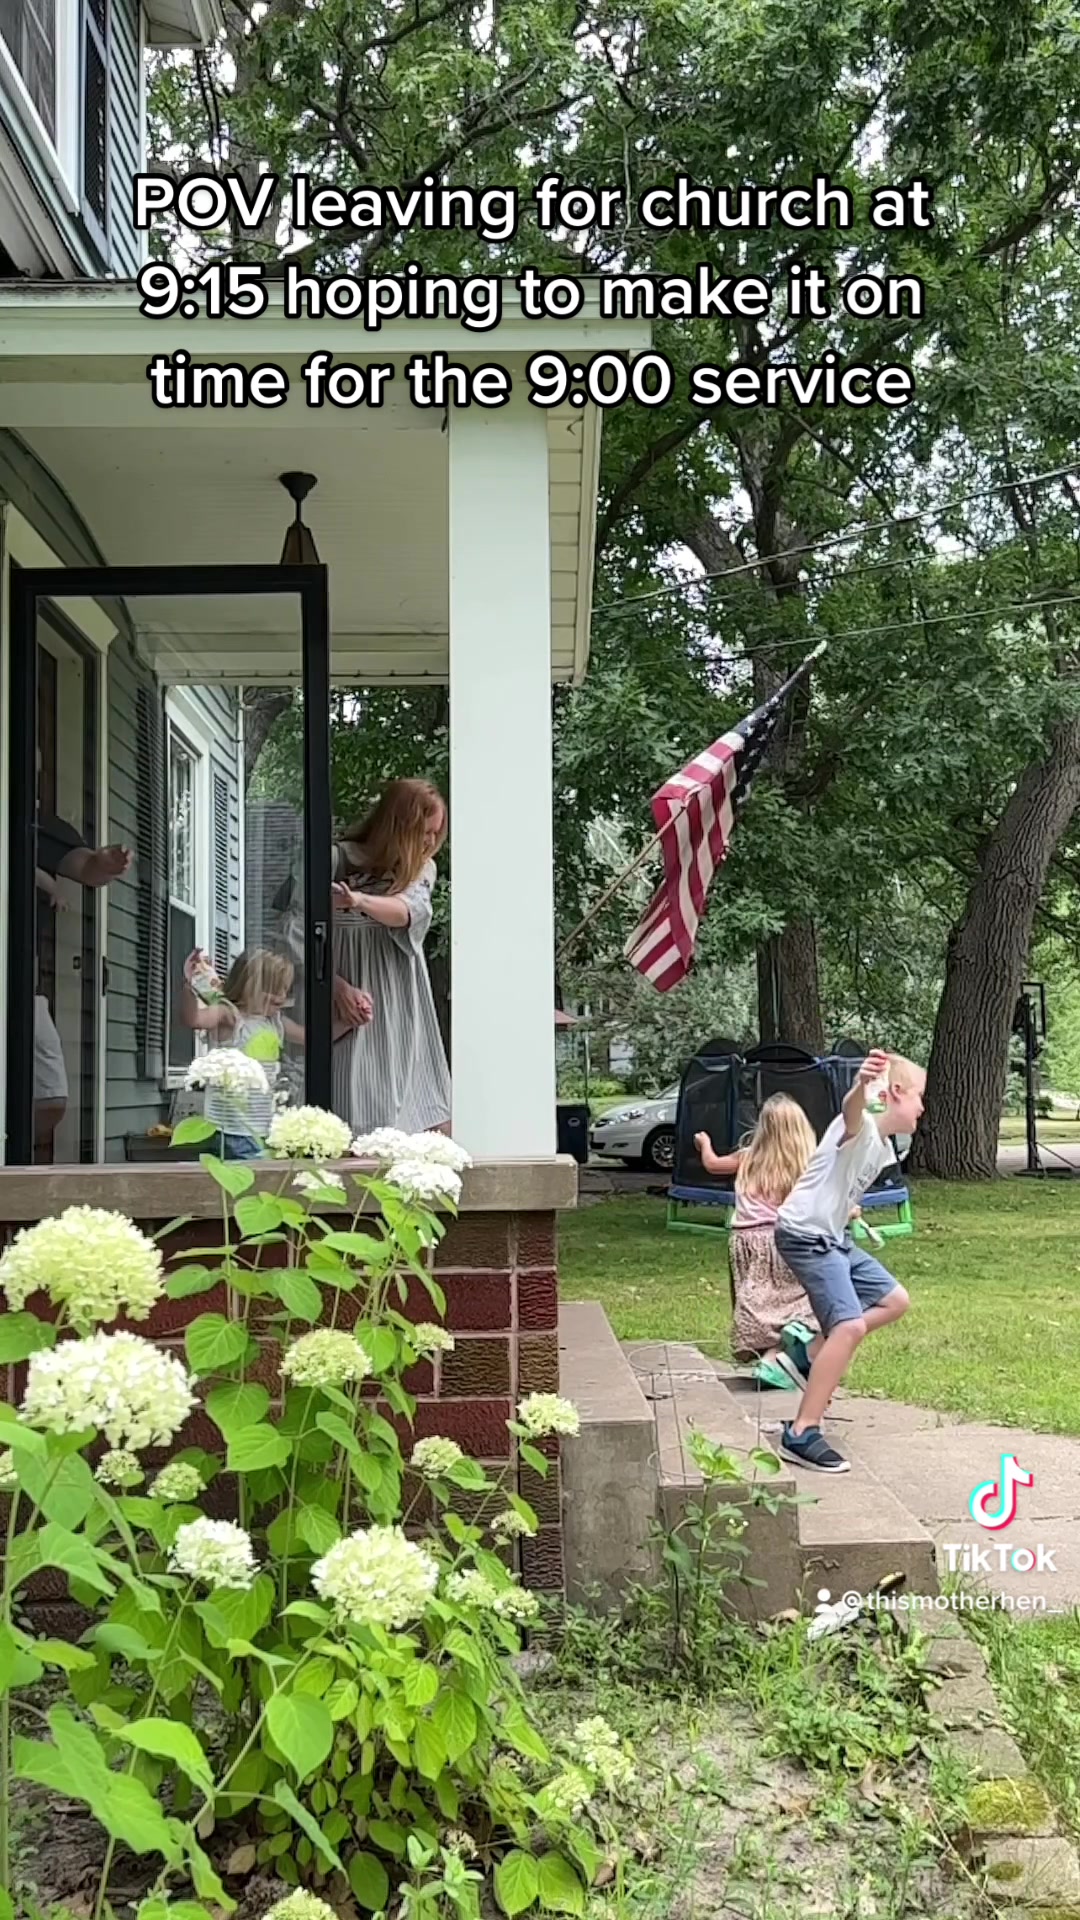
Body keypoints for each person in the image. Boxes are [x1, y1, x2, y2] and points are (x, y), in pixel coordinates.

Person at [773, 1050, 925, 1474]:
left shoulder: (881, 1145)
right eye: (919, 1096)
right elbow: (852, 1111)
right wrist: (861, 1085)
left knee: (894, 1300)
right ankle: (802, 1431)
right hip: (807, 1236)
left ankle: (808, 1356)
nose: (922, 1107)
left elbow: (834, 1177)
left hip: (833, 1236)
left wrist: (846, 1207)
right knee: (850, 1326)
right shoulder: (862, 1126)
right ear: (896, 1092)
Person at [329, 778, 451, 1135]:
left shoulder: (421, 868)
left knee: (423, 1108)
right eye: (424, 832)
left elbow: (406, 911)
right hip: (348, 987)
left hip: (398, 994)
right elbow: (297, 933)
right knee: (352, 1099)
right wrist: (335, 987)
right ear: (398, 826)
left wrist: (358, 901)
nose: (430, 842)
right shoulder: (337, 859)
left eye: (436, 833)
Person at [694, 1095, 819, 1388]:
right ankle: (787, 1344)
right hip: (782, 1238)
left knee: (758, 1298)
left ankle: (772, 1356)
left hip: (744, 1241)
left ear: (763, 1127)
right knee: (797, 1294)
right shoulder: (804, 1164)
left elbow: (712, 1165)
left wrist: (705, 1144)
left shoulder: (747, 1156)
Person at [34, 810, 132, 1157]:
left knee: (50, 1097)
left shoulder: (35, 821)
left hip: (19, 984)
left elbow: (86, 868)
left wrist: (103, 864)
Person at [181, 947, 308, 1158]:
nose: (281, 996)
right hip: (231, 1131)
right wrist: (188, 987)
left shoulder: (274, 1022)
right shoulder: (230, 1015)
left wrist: (350, 1022)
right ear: (247, 985)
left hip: (265, 1129)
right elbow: (194, 1019)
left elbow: (309, 1037)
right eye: (273, 989)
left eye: (284, 989)